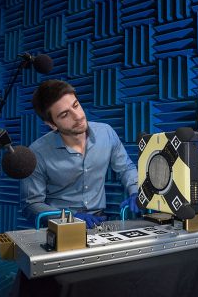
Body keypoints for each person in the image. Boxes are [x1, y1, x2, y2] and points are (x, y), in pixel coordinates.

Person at [20, 79, 140, 228]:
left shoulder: (106, 133)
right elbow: (31, 205)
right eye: (65, 115)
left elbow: (126, 168)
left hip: (99, 222)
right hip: (60, 226)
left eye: (76, 105)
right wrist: (70, 217)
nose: (77, 116)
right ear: (51, 124)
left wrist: (135, 192)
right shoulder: (37, 153)